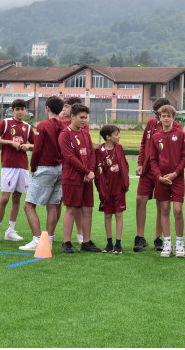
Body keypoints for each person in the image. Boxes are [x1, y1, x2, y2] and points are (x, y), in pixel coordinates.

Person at [19, 97, 65, 251]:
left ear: (47, 108)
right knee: (52, 205)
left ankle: (37, 239)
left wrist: (33, 167)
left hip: (46, 167)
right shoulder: (64, 125)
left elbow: (37, 149)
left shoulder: (43, 125)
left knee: (28, 205)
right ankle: (49, 240)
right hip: (60, 168)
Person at [0, 99, 34, 243]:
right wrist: (10, 142)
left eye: (22, 109)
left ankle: (10, 230)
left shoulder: (28, 126)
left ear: (26, 111)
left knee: (17, 197)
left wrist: (27, 145)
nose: (20, 112)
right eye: (17, 109)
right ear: (12, 110)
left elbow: (36, 144)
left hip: (23, 167)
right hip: (8, 166)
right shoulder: (6, 123)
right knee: (5, 198)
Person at [134, 97, 179, 252]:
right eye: (157, 114)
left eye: (159, 113)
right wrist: (140, 163)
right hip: (148, 169)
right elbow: (144, 144)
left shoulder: (176, 128)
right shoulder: (152, 124)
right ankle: (140, 237)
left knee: (162, 204)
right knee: (140, 199)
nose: (157, 117)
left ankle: (158, 238)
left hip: (163, 173)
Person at [58, 104, 101, 253]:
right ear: (72, 117)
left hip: (86, 178)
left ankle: (86, 241)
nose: (84, 120)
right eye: (81, 117)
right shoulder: (64, 134)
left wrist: (90, 171)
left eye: (86, 118)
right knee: (71, 209)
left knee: (87, 209)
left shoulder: (85, 133)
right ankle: (66, 243)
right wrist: (85, 171)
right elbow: (69, 157)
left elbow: (91, 153)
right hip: (72, 178)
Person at [149, 105, 185, 257]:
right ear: (159, 117)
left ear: (173, 117)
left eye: (168, 116)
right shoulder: (155, 136)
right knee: (164, 209)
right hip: (161, 179)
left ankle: (179, 243)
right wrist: (158, 176)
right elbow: (153, 159)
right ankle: (167, 243)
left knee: (178, 210)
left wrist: (175, 174)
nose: (165, 118)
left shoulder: (180, 134)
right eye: (162, 116)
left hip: (176, 178)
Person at [95, 125, 129, 254]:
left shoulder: (119, 148)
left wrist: (125, 180)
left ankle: (118, 244)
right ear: (108, 137)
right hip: (106, 189)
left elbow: (125, 164)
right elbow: (98, 171)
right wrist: (102, 188)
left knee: (119, 214)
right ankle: (109, 243)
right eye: (116, 134)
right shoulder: (99, 151)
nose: (119, 136)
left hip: (119, 188)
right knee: (108, 215)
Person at [61, 97, 85, 244]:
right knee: (70, 206)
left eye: (67, 106)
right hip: (69, 172)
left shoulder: (84, 129)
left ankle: (81, 234)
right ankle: (63, 240)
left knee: (81, 206)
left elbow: (88, 151)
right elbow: (69, 155)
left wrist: (89, 170)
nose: (65, 109)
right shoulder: (64, 130)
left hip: (82, 173)